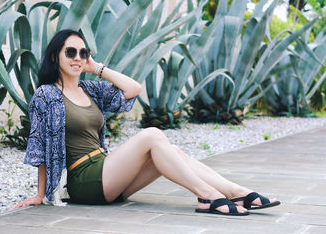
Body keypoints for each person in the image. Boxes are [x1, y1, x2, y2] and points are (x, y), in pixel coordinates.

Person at [14, 29, 280, 215]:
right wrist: (41, 194)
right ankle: (207, 195)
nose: (77, 58)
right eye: (70, 52)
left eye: (83, 52)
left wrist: (96, 68)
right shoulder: (46, 95)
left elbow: (133, 89)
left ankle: (236, 191)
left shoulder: (90, 90)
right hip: (85, 180)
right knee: (152, 135)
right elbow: (39, 145)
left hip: (107, 173)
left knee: (170, 151)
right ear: (54, 57)